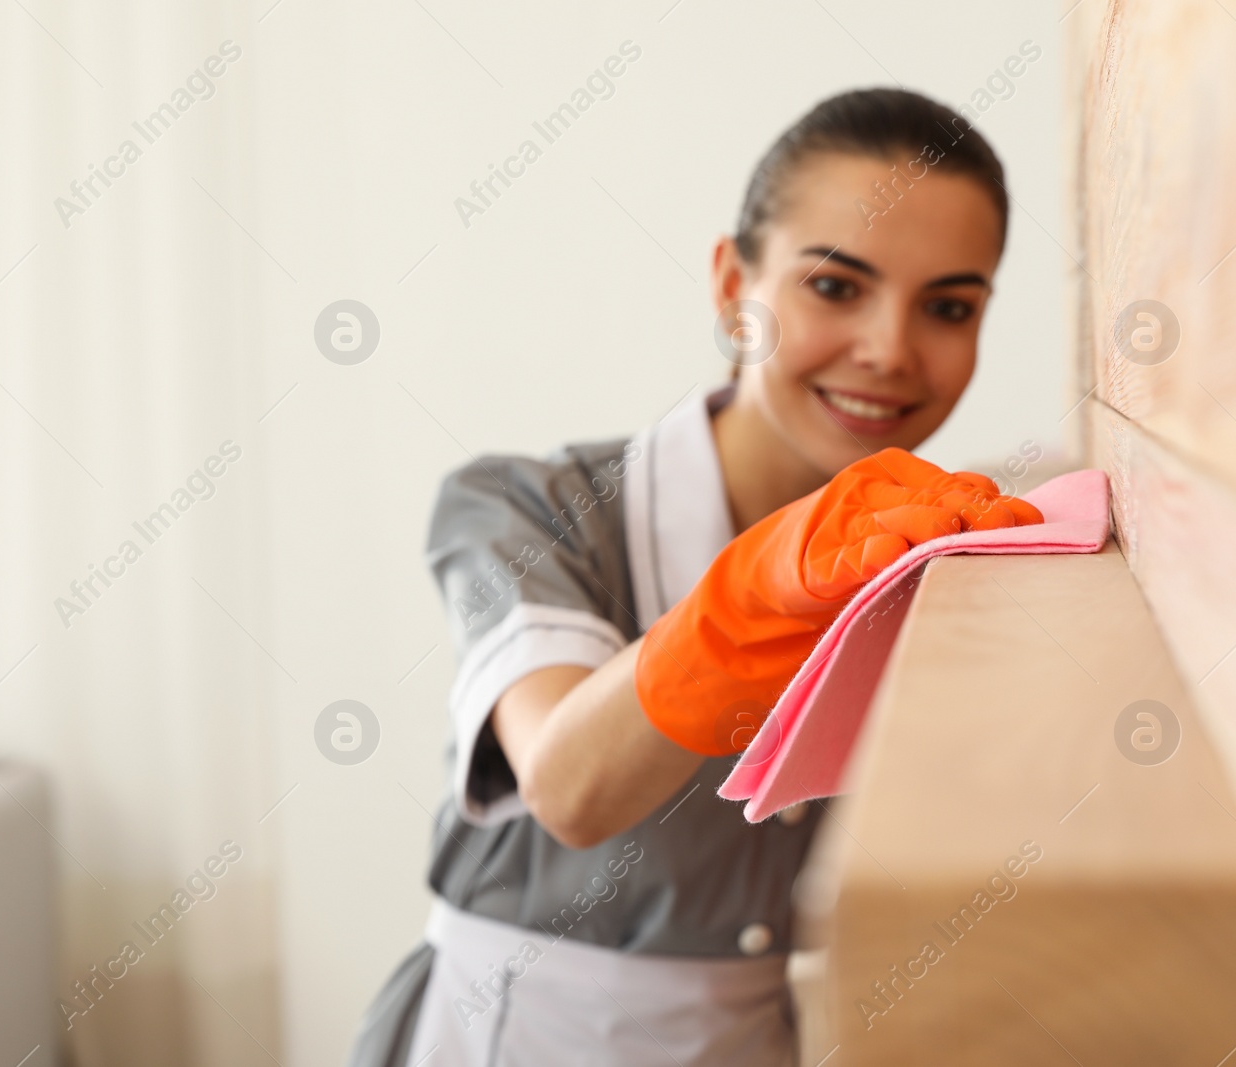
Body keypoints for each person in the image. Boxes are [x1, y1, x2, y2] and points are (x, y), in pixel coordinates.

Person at [349, 86, 1024, 1066]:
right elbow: (569, 784)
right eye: (834, 286)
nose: (888, 349)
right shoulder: (526, 511)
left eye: (948, 306)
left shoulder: (928, 553)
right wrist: (749, 594)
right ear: (729, 286)